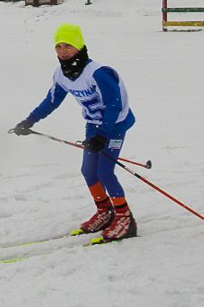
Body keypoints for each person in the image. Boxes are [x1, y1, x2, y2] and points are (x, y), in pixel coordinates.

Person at [12, 23, 137, 241]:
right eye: (58, 47)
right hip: (94, 124)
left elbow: (114, 105)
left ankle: (125, 218)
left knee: (105, 172)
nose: (63, 51)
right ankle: (105, 212)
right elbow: (51, 101)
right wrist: (29, 121)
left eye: (68, 45)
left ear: (78, 45)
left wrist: (103, 135)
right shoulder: (62, 74)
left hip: (115, 124)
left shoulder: (97, 73)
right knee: (89, 171)